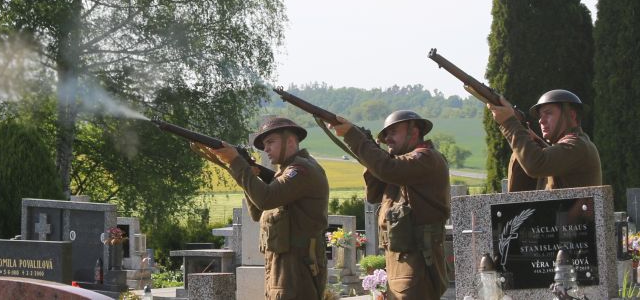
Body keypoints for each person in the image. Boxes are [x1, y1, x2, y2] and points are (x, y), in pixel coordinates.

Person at [191, 117, 328, 300]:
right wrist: (247, 173)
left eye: (271, 142)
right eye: (264, 144)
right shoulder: (284, 173)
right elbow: (257, 212)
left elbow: (265, 200)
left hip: (297, 271)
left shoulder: (301, 169)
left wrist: (236, 163)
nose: (266, 149)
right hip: (282, 270)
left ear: (290, 141)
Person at [327, 110, 450, 299]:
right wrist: (372, 154)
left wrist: (353, 136)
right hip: (401, 264)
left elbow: (388, 169)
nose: (387, 138)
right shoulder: (400, 166)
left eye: (393, 132)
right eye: (385, 135)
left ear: (414, 132)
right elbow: (374, 194)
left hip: (418, 263)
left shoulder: (426, 157)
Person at [486, 89, 601, 189]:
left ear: (571, 115)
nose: (541, 120)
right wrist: (535, 141)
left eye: (548, 113)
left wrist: (509, 122)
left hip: (572, 215)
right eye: (541, 116)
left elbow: (536, 164)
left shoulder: (577, 145)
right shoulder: (577, 144)